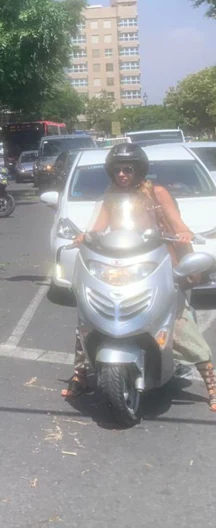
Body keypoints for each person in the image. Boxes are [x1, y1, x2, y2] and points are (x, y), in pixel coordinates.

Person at [61, 143, 216, 409]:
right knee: (89, 319)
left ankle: (211, 382)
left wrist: (184, 234)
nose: (122, 174)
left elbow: (176, 222)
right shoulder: (110, 197)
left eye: (127, 169)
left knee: (177, 322)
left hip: (156, 262)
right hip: (121, 264)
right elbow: (97, 228)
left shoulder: (157, 193)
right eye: (117, 170)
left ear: (139, 170)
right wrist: (83, 237)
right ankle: (82, 374)